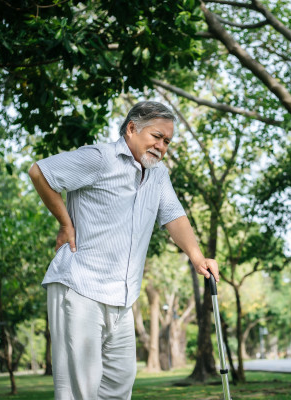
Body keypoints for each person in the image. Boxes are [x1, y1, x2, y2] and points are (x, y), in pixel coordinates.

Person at [28, 101, 219, 400]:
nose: (161, 145)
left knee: (119, 387)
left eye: (167, 141)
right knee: (80, 391)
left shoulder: (158, 175)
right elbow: (40, 172)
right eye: (156, 136)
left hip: (123, 296)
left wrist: (197, 257)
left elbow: (174, 216)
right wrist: (65, 223)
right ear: (131, 128)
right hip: (80, 287)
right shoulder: (99, 158)